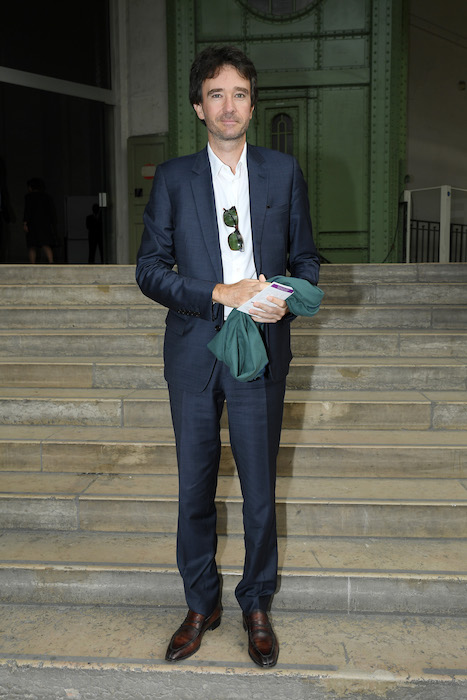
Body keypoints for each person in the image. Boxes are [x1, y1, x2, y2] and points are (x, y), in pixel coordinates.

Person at [136, 45, 320, 668]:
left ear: (252, 104)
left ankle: (256, 604)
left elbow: (307, 260)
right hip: (194, 351)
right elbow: (149, 270)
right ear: (199, 107)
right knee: (194, 488)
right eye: (216, 94)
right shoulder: (173, 178)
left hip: (260, 349)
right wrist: (218, 293)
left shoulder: (282, 172)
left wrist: (282, 300)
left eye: (239, 93)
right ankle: (201, 604)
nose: (229, 106)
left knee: (259, 491)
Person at [23, 178, 56, 264]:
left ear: (30, 187)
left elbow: (27, 210)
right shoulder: (46, 197)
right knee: (45, 244)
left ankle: (32, 264)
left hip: (32, 224)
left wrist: (25, 223)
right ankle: (51, 262)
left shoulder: (29, 197)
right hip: (44, 224)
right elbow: (50, 212)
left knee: (32, 246)